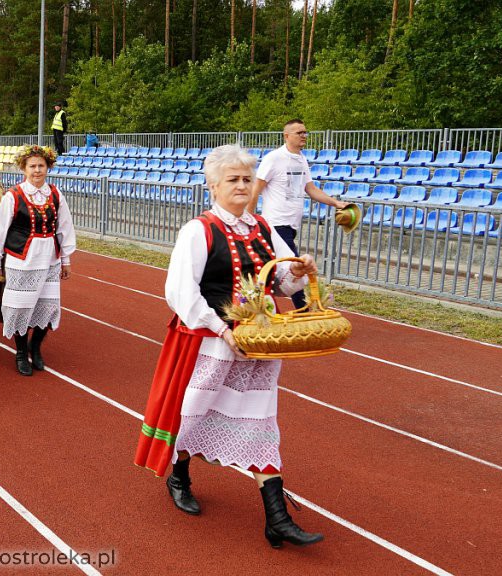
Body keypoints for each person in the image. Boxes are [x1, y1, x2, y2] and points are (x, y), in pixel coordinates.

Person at [134, 144, 324, 549]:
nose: (241, 186)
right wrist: (222, 330)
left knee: (261, 423)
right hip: (208, 345)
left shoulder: (263, 229)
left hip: (257, 345)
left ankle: (277, 518)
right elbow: (181, 292)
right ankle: (180, 477)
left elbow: (282, 282)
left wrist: (300, 271)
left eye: (245, 179)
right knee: (192, 416)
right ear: (214, 186)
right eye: (233, 180)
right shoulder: (198, 230)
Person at [0, 144, 76, 376]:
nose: (37, 170)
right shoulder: (13, 196)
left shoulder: (55, 194)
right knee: (20, 308)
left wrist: (65, 259)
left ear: (48, 167)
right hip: (21, 260)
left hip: (50, 259)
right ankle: (20, 351)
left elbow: (64, 227)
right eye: (32, 166)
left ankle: (36, 348)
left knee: (47, 306)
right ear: (24, 169)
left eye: (41, 166)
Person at [249, 119, 346, 309]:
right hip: (275, 223)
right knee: (297, 267)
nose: (303, 136)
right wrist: (250, 217)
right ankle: (305, 311)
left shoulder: (301, 159)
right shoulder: (274, 158)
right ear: (286, 136)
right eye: (299, 132)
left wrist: (335, 203)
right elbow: (256, 188)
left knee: (272, 269)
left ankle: (257, 306)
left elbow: (310, 189)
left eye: (305, 132)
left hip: (291, 224)